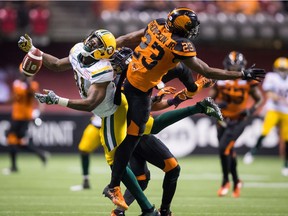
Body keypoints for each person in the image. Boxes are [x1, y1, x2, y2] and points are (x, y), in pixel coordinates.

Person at [105, 6, 265, 204]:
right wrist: (241, 74)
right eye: (191, 27)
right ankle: (114, 186)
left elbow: (128, 38)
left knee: (178, 72)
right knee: (134, 140)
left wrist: (107, 49)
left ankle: (191, 91)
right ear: (182, 27)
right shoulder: (180, 45)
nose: (193, 30)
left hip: (130, 78)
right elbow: (206, 70)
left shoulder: (158, 24)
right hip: (138, 93)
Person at [18, 30, 160, 216]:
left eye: (97, 43)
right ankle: (143, 206)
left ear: (103, 51)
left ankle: (145, 208)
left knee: (116, 162)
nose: (92, 42)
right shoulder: (78, 50)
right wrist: (34, 49)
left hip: (112, 112)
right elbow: (58, 65)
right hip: (105, 112)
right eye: (93, 38)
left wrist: (58, 100)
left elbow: (90, 104)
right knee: (128, 149)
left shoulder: (103, 70)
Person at [209, 51, 264, 198]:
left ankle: (225, 181)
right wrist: (218, 104)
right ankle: (237, 181)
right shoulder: (220, 80)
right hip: (222, 120)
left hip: (239, 120)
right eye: (231, 67)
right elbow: (209, 100)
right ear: (226, 66)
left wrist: (250, 110)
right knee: (228, 151)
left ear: (242, 66)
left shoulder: (247, 81)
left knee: (223, 149)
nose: (234, 71)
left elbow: (259, 99)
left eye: (237, 67)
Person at [243, 57, 288, 176]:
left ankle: (286, 165)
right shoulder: (271, 77)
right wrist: (282, 99)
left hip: (286, 111)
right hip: (274, 109)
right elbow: (270, 94)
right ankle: (252, 153)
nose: (282, 71)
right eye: (280, 68)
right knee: (265, 131)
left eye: (284, 69)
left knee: (287, 138)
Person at [2, 65, 48, 175]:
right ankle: (40, 154)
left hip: (24, 118)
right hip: (16, 116)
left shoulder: (32, 85)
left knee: (12, 139)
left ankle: (14, 167)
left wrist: (39, 112)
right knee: (18, 142)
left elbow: (37, 98)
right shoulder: (17, 84)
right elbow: (14, 99)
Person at [70, 115, 102, 191]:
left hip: (112, 126)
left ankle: (125, 184)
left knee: (118, 154)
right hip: (96, 126)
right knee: (84, 150)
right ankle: (85, 181)